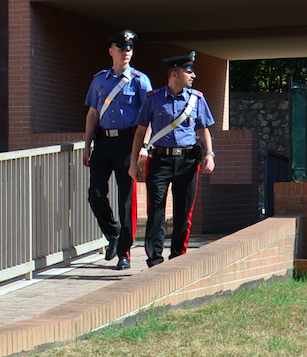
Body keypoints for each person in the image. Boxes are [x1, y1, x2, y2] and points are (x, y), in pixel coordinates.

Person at [128, 51, 215, 268]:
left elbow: (203, 129)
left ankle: (178, 256)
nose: (193, 75)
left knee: (183, 212)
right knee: (156, 210)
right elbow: (140, 132)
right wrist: (133, 163)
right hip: (160, 160)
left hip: (187, 161)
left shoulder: (197, 99)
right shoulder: (153, 98)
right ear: (174, 74)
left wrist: (209, 154)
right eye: (188, 71)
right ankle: (155, 259)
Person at [83, 30, 152, 270]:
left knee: (126, 200)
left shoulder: (140, 80)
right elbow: (92, 114)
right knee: (95, 194)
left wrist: (144, 146)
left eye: (129, 49)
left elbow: (149, 117)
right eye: (121, 49)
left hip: (128, 142)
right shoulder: (99, 80)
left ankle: (125, 252)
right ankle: (113, 233)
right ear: (111, 51)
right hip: (103, 142)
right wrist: (86, 145)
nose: (126, 53)